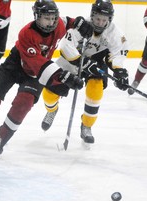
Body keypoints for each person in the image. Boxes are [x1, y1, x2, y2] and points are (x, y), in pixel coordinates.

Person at [0, 0, 94, 151]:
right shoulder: (27, 33)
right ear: (37, 16)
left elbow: (66, 21)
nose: (51, 22)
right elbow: (37, 63)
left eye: (53, 18)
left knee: (23, 104)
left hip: (35, 73)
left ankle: (0, 139)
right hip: (15, 65)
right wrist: (64, 76)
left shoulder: (58, 24)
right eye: (47, 18)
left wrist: (79, 23)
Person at [41, 0, 129, 145]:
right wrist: (80, 61)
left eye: (104, 20)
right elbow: (65, 46)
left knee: (95, 91)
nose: (100, 23)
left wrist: (120, 71)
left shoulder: (115, 33)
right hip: (73, 60)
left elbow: (118, 53)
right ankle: (52, 110)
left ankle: (86, 125)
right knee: (49, 94)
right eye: (97, 18)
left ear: (110, 19)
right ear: (92, 15)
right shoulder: (81, 26)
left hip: (96, 63)